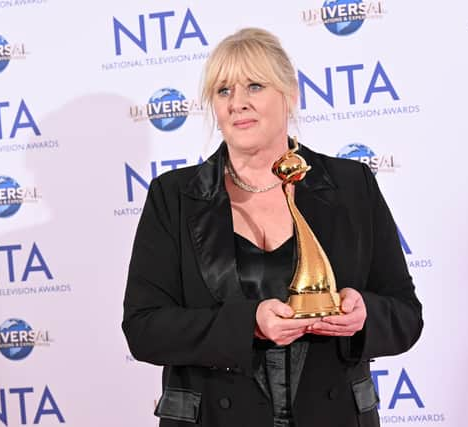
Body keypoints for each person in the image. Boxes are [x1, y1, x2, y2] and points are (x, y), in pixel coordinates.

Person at [122, 28, 423, 427]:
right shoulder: (174, 196)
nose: (238, 103)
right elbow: (144, 328)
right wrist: (248, 325)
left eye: (255, 86)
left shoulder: (352, 186)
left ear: (289, 94)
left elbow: (405, 314)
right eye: (223, 90)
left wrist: (364, 314)